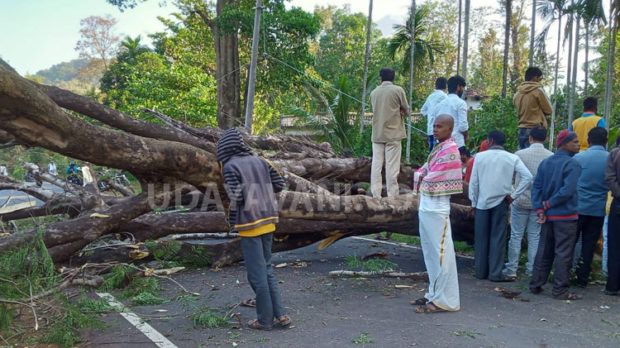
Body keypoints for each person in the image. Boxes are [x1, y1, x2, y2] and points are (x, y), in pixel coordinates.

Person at [216, 128, 291, 330]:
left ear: (224, 149)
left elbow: (237, 197)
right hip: (269, 220)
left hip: (249, 225)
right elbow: (279, 183)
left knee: (256, 275)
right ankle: (281, 315)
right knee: (267, 270)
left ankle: (265, 320)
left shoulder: (230, 167)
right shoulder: (260, 161)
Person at [413, 115, 463, 313]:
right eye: (434, 126)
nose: (435, 129)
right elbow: (423, 172)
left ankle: (446, 300)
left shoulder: (451, 151)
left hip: (438, 209)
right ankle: (434, 293)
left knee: (442, 255)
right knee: (431, 253)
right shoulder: (438, 148)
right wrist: (422, 175)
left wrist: (421, 176)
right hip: (427, 207)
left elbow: (431, 177)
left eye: (440, 126)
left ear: (450, 129)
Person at [469, 130, 532, 281]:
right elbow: (527, 177)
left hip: (482, 202)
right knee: (498, 238)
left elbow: (474, 182)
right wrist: (514, 195)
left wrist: (473, 202)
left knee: (481, 238)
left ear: (490, 141)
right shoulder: (512, 158)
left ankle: (480, 271)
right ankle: (495, 273)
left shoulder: (480, 157)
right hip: (502, 201)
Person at [530, 130, 582, 300]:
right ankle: (560, 290)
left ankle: (536, 284)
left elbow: (536, 187)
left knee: (544, 250)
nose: (578, 144)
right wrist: (548, 204)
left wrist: (540, 209)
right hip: (566, 216)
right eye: (574, 141)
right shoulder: (572, 164)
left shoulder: (545, 163)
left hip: (547, 216)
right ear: (564, 144)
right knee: (563, 253)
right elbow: (567, 191)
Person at [503, 126, 553, 279]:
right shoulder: (550, 156)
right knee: (535, 236)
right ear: (545, 138)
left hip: (519, 200)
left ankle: (512, 269)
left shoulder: (519, 154)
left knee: (516, 236)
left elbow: (511, 176)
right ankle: (532, 269)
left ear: (530, 137)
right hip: (538, 204)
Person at [572, 127, 609, 287]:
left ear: (588, 140)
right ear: (606, 141)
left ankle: (566, 272)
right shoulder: (610, 158)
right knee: (589, 243)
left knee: (571, 241)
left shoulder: (578, 158)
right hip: (598, 209)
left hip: (578, 207)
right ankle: (583, 277)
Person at [369, 67, 409, 199]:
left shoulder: (374, 93)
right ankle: (392, 196)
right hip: (393, 134)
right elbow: (406, 109)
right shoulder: (398, 90)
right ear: (393, 78)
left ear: (380, 78)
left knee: (376, 165)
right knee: (392, 167)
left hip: (377, 134)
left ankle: (376, 195)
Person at [513, 67, 553, 150]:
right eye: (540, 78)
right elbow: (549, 110)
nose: (540, 81)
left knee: (521, 156)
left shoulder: (518, 93)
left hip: (521, 128)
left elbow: (516, 105)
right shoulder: (538, 91)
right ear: (535, 77)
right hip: (535, 129)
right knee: (534, 157)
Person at [433, 75, 469, 151]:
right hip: (457, 144)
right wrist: (466, 136)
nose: (462, 90)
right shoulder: (461, 103)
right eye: (462, 88)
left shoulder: (439, 105)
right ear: (458, 87)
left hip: (441, 145)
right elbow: (463, 126)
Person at [604, 135, 620, 296]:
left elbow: (609, 178)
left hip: (618, 203)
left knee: (615, 246)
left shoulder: (614, 154)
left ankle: (612, 286)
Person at [420, 77, 448, 150]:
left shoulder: (430, 96)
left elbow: (423, 111)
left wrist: (430, 115)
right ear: (445, 86)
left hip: (430, 129)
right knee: (440, 153)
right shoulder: (445, 97)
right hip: (442, 130)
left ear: (436, 85)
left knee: (432, 153)